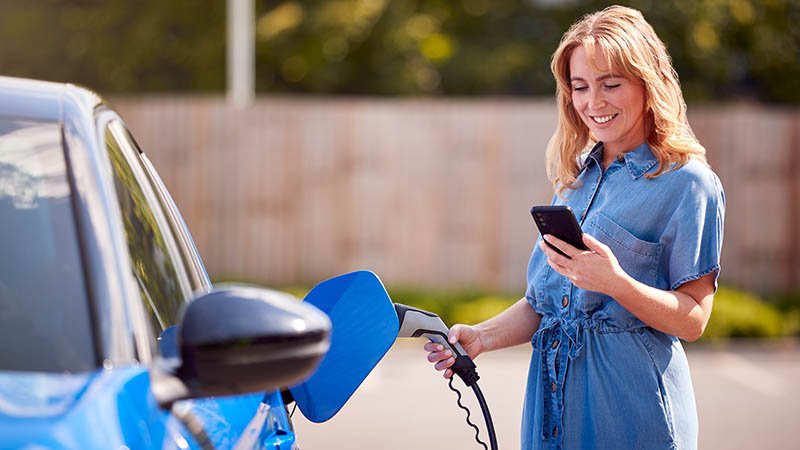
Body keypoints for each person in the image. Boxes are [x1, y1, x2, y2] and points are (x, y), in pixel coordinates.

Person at [424, 5, 724, 450]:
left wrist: (615, 282)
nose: (593, 103)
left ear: (648, 83)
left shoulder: (687, 183)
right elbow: (546, 304)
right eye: (580, 86)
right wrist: (481, 337)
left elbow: (694, 319)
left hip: (631, 412)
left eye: (611, 84)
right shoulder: (574, 181)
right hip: (551, 410)